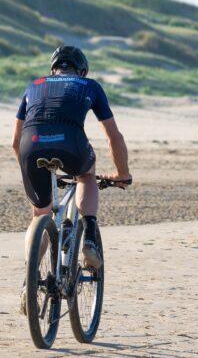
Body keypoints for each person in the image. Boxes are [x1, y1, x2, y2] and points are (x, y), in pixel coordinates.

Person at [13, 45, 132, 271]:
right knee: (86, 175)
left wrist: (32, 171)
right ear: (83, 71)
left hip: (31, 147)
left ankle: (30, 279)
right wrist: (122, 174)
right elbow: (114, 137)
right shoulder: (89, 85)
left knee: (40, 213)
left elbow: (15, 142)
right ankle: (89, 237)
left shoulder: (34, 86)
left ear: (53, 69)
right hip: (70, 143)